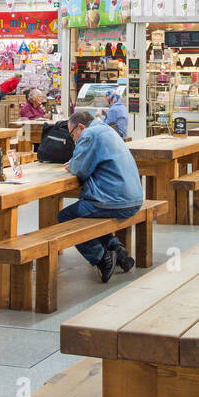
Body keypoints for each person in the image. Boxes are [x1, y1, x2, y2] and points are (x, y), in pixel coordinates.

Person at [59, 111, 143, 283]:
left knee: (65, 217)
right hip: (134, 198)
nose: (73, 138)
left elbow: (80, 169)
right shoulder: (106, 129)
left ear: (80, 127)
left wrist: (74, 163)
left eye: (72, 133)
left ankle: (101, 258)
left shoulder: (90, 134)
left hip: (114, 201)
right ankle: (117, 249)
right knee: (88, 216)